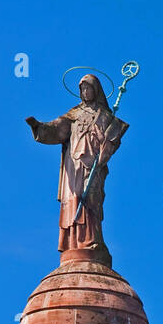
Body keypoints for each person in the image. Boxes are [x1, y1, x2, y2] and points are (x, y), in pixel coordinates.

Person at [26, 75, 127, 257]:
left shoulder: (105, 116)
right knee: (75, 200)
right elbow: (57, 129)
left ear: (96, 91)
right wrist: (39, 127)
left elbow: (113, 139)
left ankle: (92, 241)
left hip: (93, 165)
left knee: (91, 200)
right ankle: (73, 242)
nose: (85, 92)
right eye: (82, 89)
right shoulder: (75, 114)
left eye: (88, 88)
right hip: (74, 164)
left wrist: (107, 140)